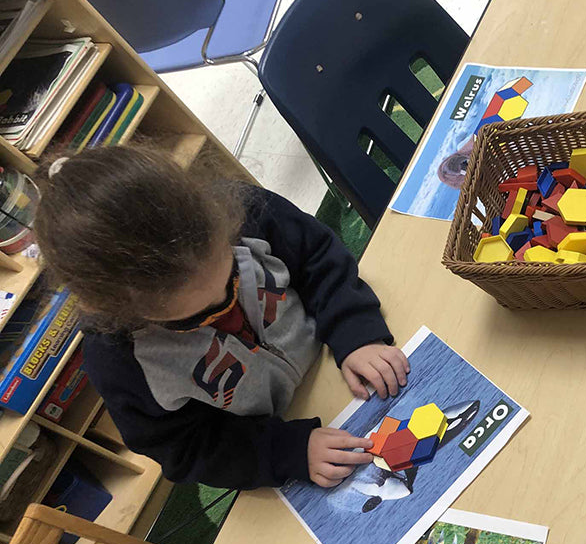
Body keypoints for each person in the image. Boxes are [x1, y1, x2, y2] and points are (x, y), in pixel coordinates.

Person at [34, 144, 409, 490]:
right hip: (282, 429)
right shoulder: (119, 360)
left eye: (232, 278)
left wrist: (354, 331)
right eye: (194, 318)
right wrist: (287, 452)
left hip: (337, 355)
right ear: (119, 312)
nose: (225, 309)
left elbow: (317, 255)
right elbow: (186, 449)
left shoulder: (240, 208)